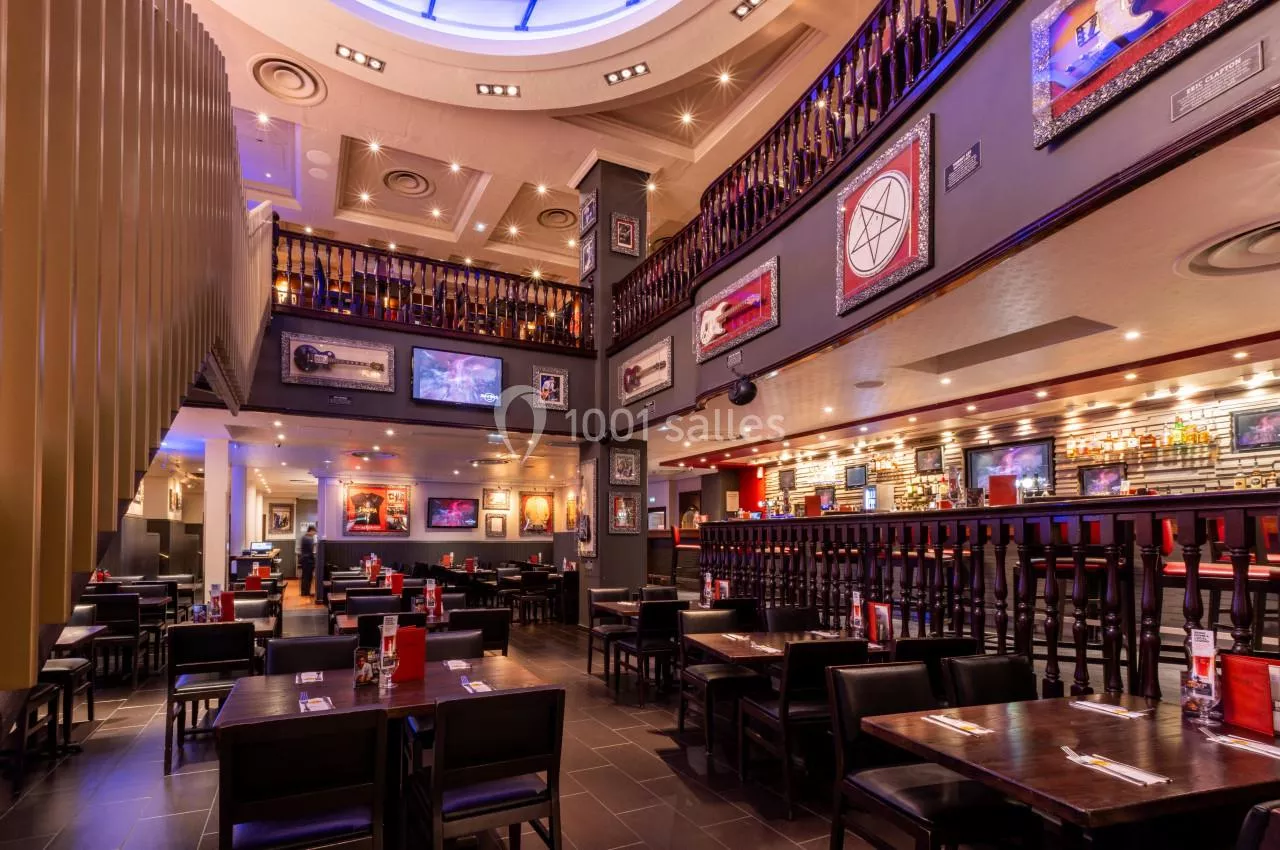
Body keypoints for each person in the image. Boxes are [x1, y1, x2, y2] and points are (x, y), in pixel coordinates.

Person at [299, 524, 318, 597]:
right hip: (308, 560)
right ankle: (306, 593)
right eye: (314, 532)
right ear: (311, 531)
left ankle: (304, 592)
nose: (314, 534)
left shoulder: (304, 537)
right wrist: (314, 560)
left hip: (304, 559)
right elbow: (310, 551)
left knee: (305, 577)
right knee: (308, 577)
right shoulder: (309, 538)